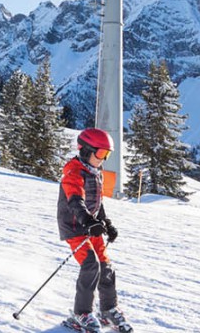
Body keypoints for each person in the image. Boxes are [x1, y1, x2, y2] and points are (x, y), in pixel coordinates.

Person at [59, 128, 132, 333]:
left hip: (91, 226)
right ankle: (81, 313)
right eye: (100, 154)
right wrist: (87, 221)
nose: (103, 159)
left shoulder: (94, 172)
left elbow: (97, 202)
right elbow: (75, 202)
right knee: (91, 265)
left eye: (107, 155)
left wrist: (105, 223)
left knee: (105, 266)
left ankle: (108, 309)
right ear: (85, 150)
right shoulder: (73, 173)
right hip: (75, 227)